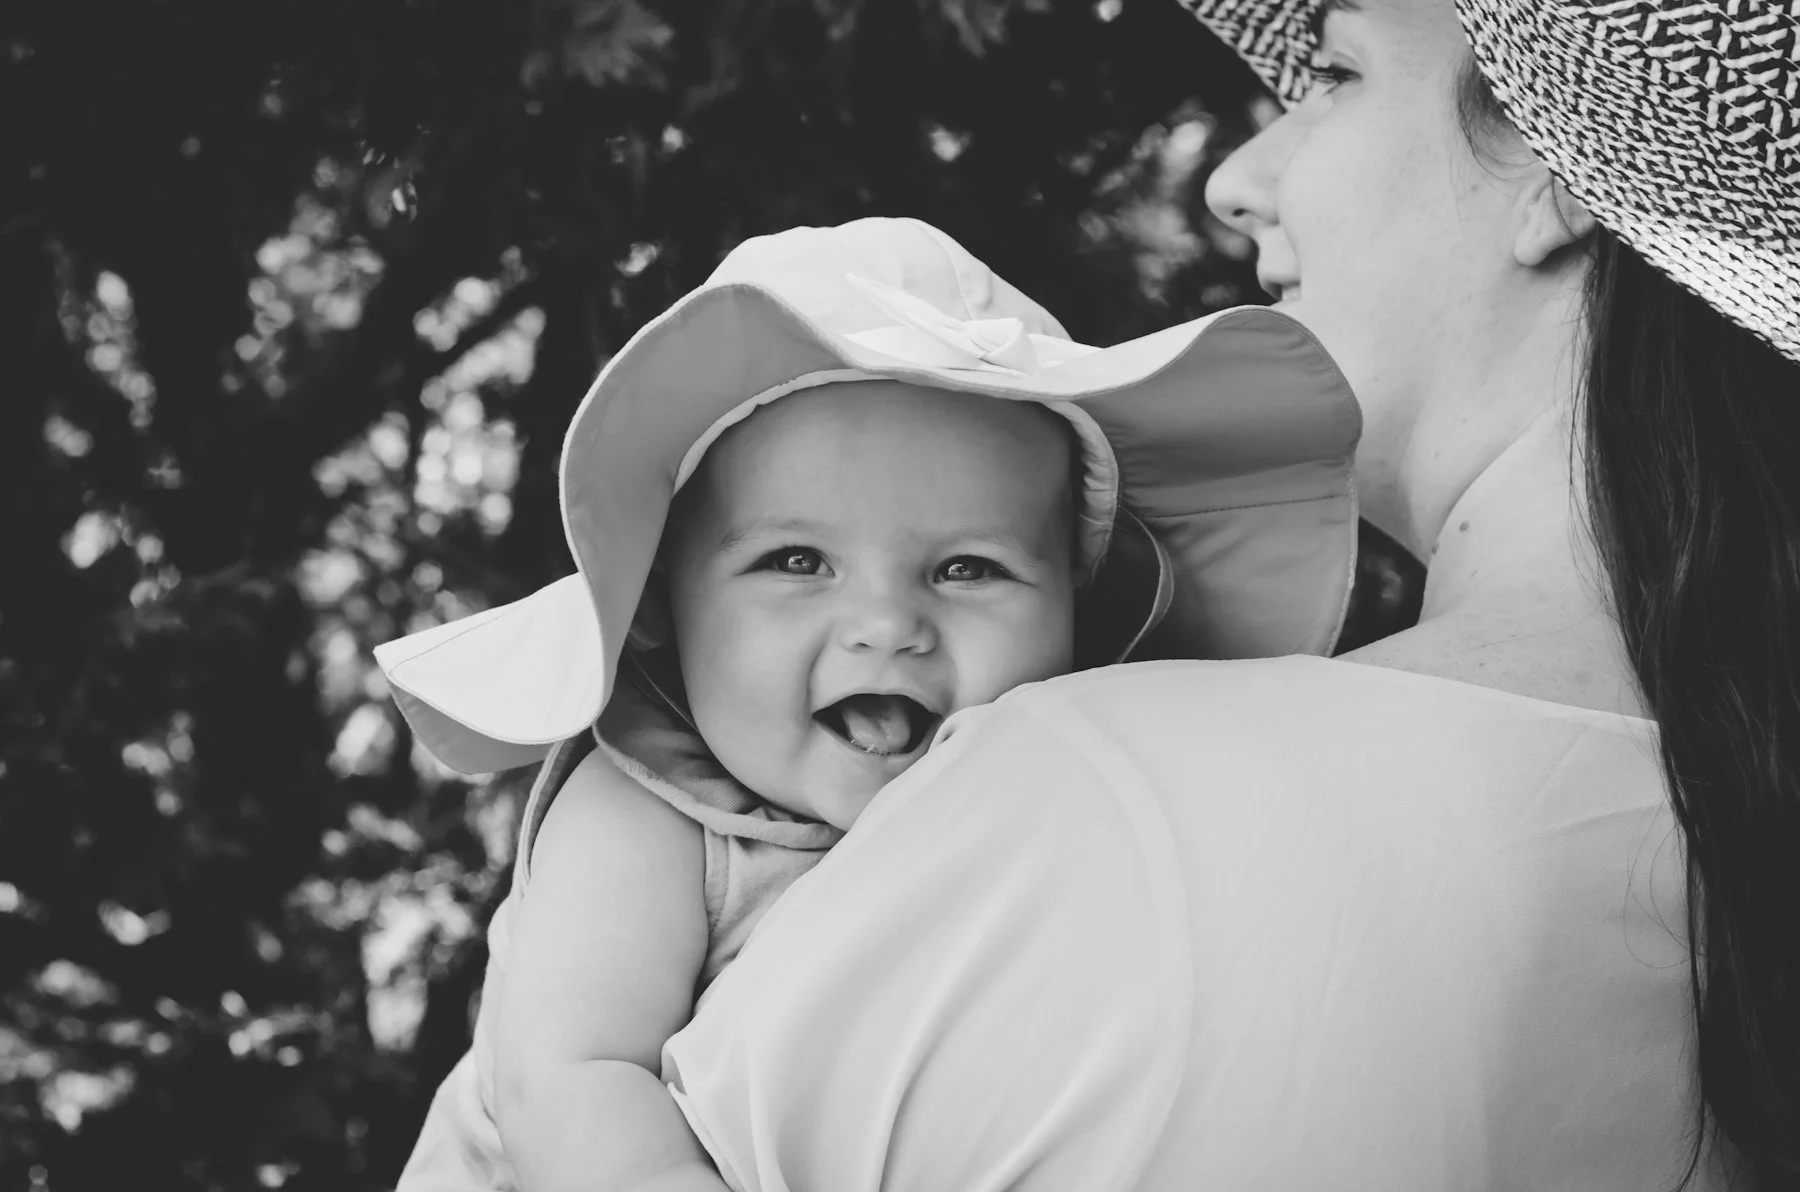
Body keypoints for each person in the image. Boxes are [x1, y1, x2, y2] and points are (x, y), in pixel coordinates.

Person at [645, 2, 1800, 1189]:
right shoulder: (1742, 833)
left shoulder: (1087, 808)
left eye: (1339, 74)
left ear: (1557, 177)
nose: (1237, 181)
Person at [373, 216, 1363, 1190]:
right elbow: (568, 1077)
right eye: (798, 560)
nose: (887, 623)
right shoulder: (644, 810)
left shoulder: (1047, 806)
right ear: (659, 611)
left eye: (969, 567)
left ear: (1073, 614)